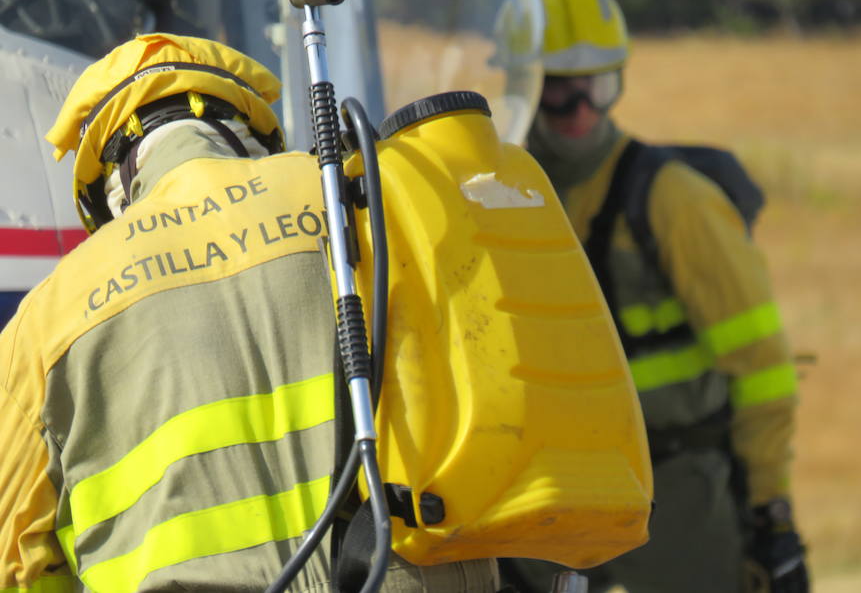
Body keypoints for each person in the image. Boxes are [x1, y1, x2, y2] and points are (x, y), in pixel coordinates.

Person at [0, 33, 499, 592]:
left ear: (109, 188)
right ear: (250, 132)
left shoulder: (45, 315)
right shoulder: (376, 201)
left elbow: (17, 560)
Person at [500, 0, 809, 593]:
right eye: (560, 90)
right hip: (543, 492)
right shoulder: (496, 198)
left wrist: (770, 514)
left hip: (675, 491)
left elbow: (764, 368)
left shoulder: (676, 201)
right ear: (523, 84)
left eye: (599, 86)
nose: (581, 109)